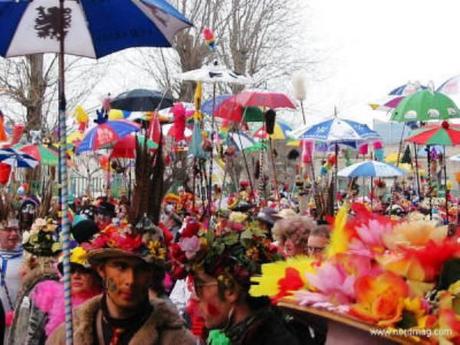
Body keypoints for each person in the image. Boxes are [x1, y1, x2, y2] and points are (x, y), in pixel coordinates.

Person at [46, 220, 197, 345]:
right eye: (121, 267)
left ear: (151, 274)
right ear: (101, 270)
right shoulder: (67, 336)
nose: (130, 281)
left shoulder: (177, 340)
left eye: (141, 269)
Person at [171, 213, 303, 345]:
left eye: (198, 287)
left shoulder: (270, 339)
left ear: (230, 290)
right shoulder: (260, 331)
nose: (194, 297)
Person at [7, 218, 61, 345]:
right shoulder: (40, 282)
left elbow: (33, 334)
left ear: (32, 261)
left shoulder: (41, 287)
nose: (21, 267)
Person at [0, 218, 22, 317]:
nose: (14, 234)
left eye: (16, 230)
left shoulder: (28, 258)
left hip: (18, 318)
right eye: (8, 230)